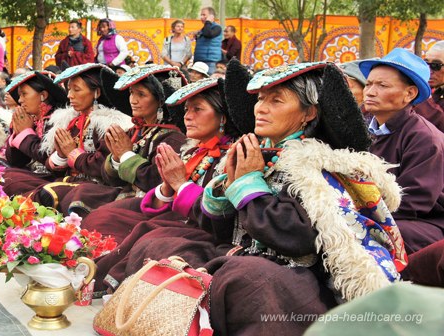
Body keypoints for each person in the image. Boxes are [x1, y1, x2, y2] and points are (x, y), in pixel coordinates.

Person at [122, 60, 407, 335]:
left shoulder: (316, 166)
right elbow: (223, 229)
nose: (261, 108)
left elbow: (295, 239)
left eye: (276, 100)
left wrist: (248, 184)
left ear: (308, 114)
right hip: (244, 256)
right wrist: (228, 185)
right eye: (261, 99)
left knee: (247, 279)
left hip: (300, 275)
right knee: (160, 246)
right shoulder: (259, 153)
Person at [82, 77, 243, 293]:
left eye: (197, 109)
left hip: (205, 231)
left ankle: (118, 288)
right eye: (186, 109)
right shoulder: (192, 150)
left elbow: (221, 217)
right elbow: (161, 191)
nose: (187, 116)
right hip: (175, 220)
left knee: (152, 236)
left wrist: (178, 183)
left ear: (222, 117)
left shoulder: (230, 157)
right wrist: (168, 187)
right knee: (127, 223)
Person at [38, 65, 188, 217]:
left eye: (141, 94)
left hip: (148, 204)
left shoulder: (172, 138)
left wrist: (125, 156)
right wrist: (115, 159)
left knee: (92, 208)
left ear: (160, 101)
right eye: (131, 93)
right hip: (119, 194)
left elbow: (155, 180)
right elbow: (108, 176)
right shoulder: (132, 132)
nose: (133, 100)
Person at [2, 63, 132, 203]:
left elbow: (104, 167)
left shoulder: (109, 124)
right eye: (69, 89)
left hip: (96, 187)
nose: (70, 95)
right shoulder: (69, 121)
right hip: (69, 181)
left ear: (97, 93)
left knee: (49, 193)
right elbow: (52, 166)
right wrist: (60, 156)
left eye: (76, 89)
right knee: (9, 177)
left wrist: (73, 154)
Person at [360, 48, 444, 254]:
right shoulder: (362, 127)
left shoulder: (425, 139)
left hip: (424, 222)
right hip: (372, 210)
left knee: (365, 233)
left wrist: (358, 212)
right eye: (369, 84)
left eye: (382, 85)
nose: (370, 92)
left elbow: (413, 202)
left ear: (410, 94)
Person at [2, 71, 68, 194]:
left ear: (43, 95)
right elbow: (15, 162)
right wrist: (17, 132)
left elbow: (49, 160)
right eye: (19, 96)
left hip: (53, 180)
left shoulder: (59, 120)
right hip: (33, 176)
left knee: (8, 179)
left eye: (24, 94)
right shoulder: (31, 120)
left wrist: (25, 134)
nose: (20, 100)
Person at [414, 41, 444, 132]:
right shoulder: (435, 90)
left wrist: (424, 96)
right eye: (426, 64)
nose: (429, 71)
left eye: (436, 65)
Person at [193, 7, 222, 75]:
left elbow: (208, 34)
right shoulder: (204, 29)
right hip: (199, 61)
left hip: (210, 62)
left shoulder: (217, 27)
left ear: (211, 16)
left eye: (204, 15)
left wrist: (208, 22)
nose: (201, 17)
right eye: (201, 15)